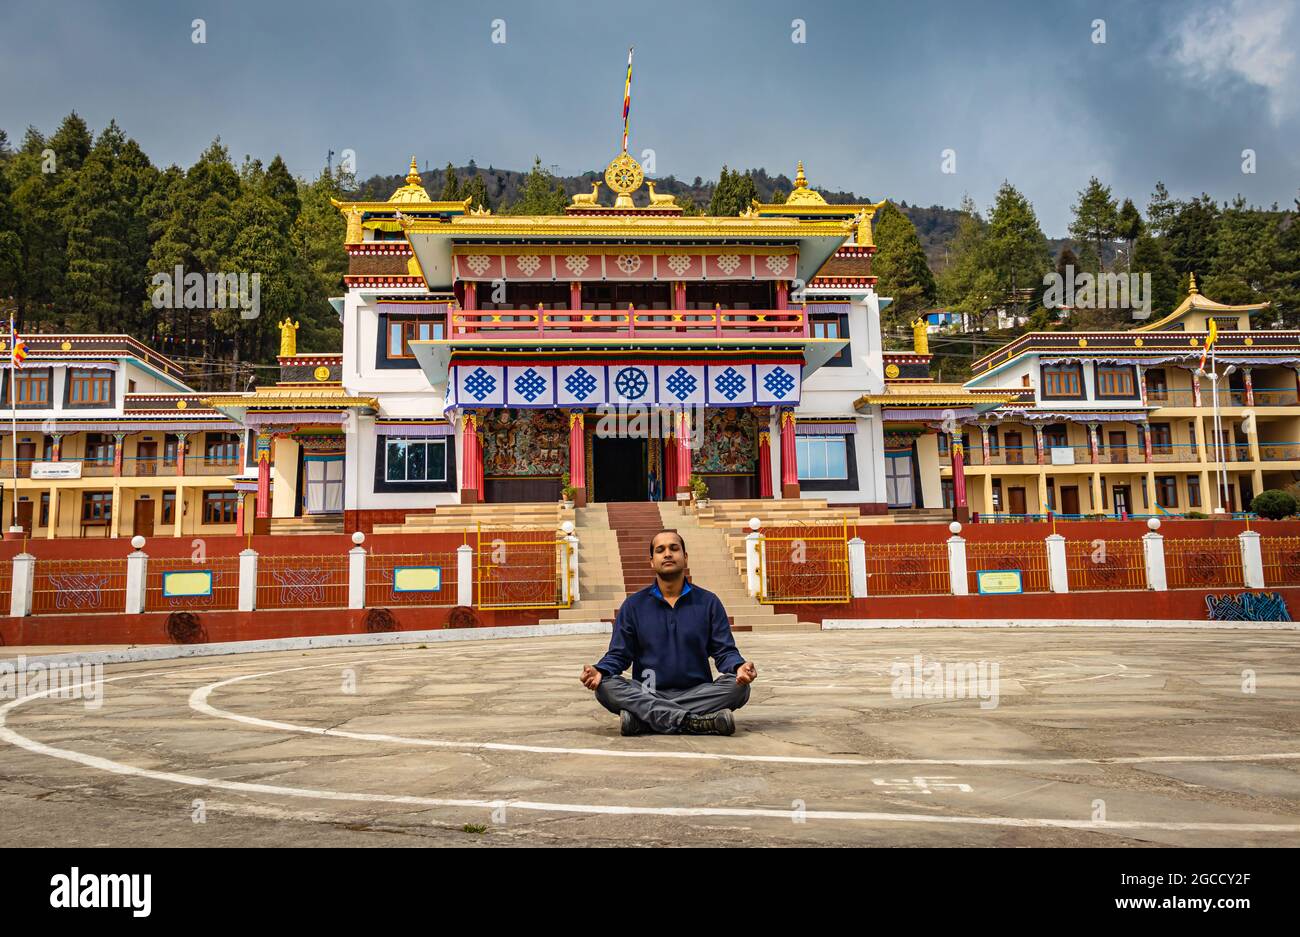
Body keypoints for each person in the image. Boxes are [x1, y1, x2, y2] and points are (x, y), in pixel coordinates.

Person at [579, 529, 758, 735]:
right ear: (652, 561)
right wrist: (599, 670)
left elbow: (724, 651)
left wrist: (739, 667)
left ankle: (646, 720)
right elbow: (619, 655)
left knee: (739, 688)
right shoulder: (634, 605)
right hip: (647, 691)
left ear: (685, 557)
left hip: (697, 691)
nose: (667, 554)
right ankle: (693, 721)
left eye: (674, 548)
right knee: (605, 687)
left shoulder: (708, 602)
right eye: (660, 550)